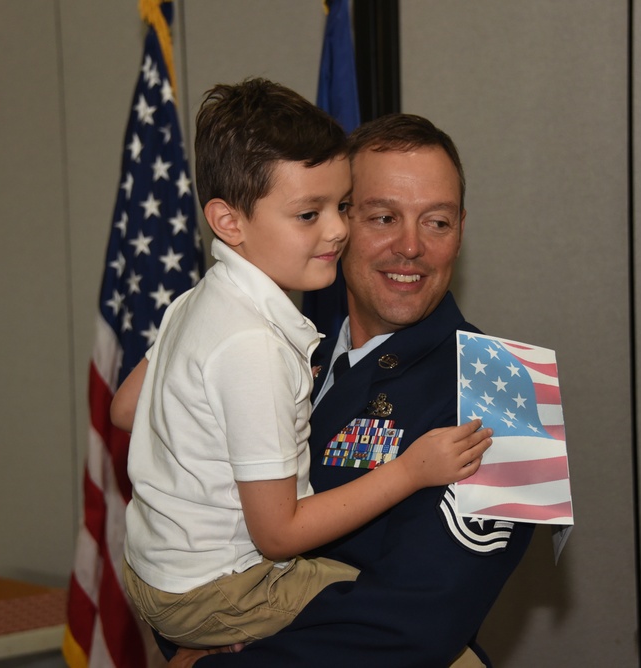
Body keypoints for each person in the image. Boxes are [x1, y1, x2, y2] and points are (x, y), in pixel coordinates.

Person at [117, 79, 493, 651]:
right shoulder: (272, 340)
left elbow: (415, 625)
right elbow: (263, 538)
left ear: (461, 229)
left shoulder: (499, 387)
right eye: (380, 216)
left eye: (436, 221)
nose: (411, 246)